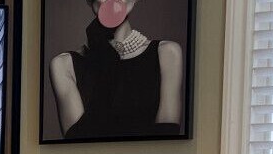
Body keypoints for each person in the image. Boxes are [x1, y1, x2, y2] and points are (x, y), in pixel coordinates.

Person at [48, 0, 184, 139]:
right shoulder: (64, 65)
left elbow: (166, 137)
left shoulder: (167, 53)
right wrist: (104, 54)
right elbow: (78, 141)